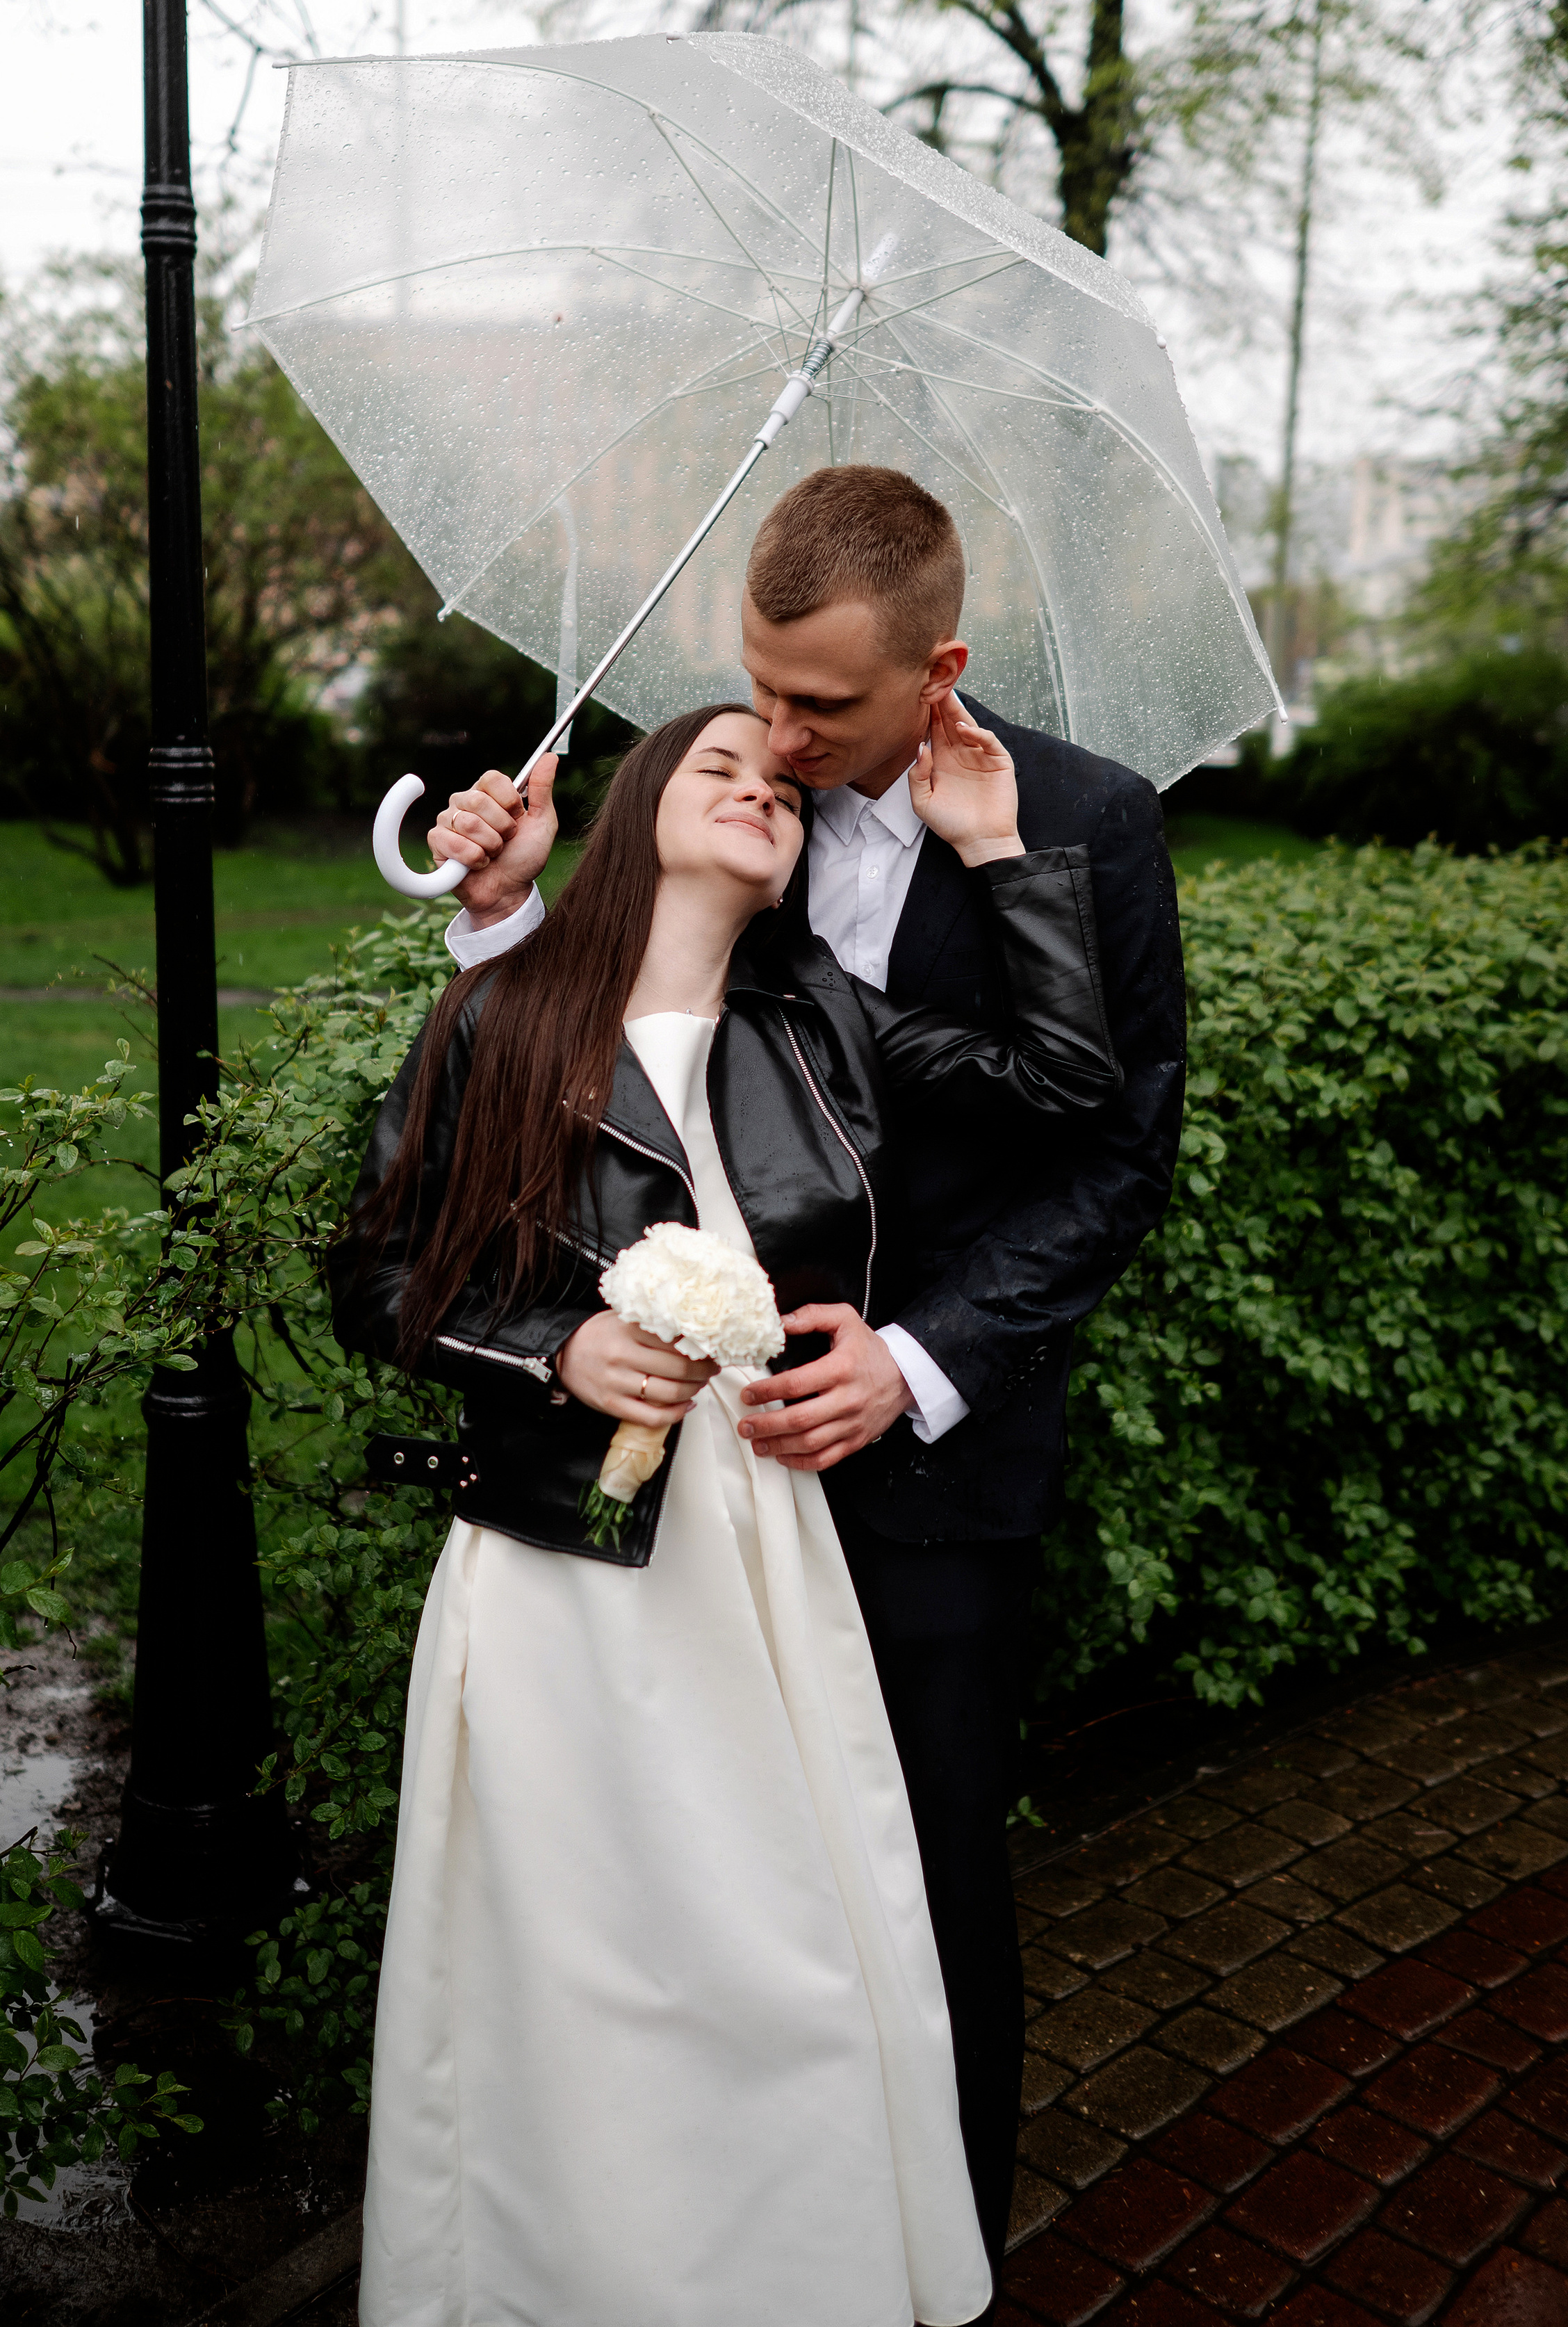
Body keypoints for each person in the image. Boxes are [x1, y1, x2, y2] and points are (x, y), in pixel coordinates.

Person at [423, 464, 1187, 2273]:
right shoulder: (733, 788)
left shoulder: (1088, 819)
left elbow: (1110, 1149)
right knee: (710, 1899)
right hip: (689, 1472)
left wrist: (921, 1361)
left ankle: (930, 2268)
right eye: (756, 684)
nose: (774, 731)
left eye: (822, 704)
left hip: (928, 1468)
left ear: (943, 667)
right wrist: (506, 916)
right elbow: (618, 1044)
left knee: (919, 1884)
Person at [330, 697, 1120, 2327]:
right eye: (716, 768)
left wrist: (997, 854)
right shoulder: (505, 1007)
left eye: (778, 785)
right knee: (580, 1964)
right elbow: (380, 1278)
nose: (758, 790)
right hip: (563, 1576)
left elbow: (1059, 1092)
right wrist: (560, 1349)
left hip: (765, 1556)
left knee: (785, 1947)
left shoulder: (819, 1020)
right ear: (628, 810)